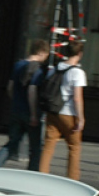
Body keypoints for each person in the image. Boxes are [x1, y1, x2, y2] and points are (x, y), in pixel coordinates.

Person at [0, 39, 50, 169]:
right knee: (35, 148)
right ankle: (32, 174)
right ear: (41, 52)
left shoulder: (18, 65)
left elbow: (10, 87)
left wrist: (15, 100)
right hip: (30, 112)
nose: (45, 58)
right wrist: (34, 114)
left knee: (12, 143)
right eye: (45, 55)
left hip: (16, 109)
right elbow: (32, 91)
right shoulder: (37, 70)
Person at [38, 40, 86, 181]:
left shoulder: (55, 68)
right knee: (74, 147)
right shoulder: (77, 72)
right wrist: (81, 118)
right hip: (69, 114)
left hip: (52, 111)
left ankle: (41, 177)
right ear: (80, 54)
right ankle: (73, 180)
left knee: (48, 146)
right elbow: (77, 98)